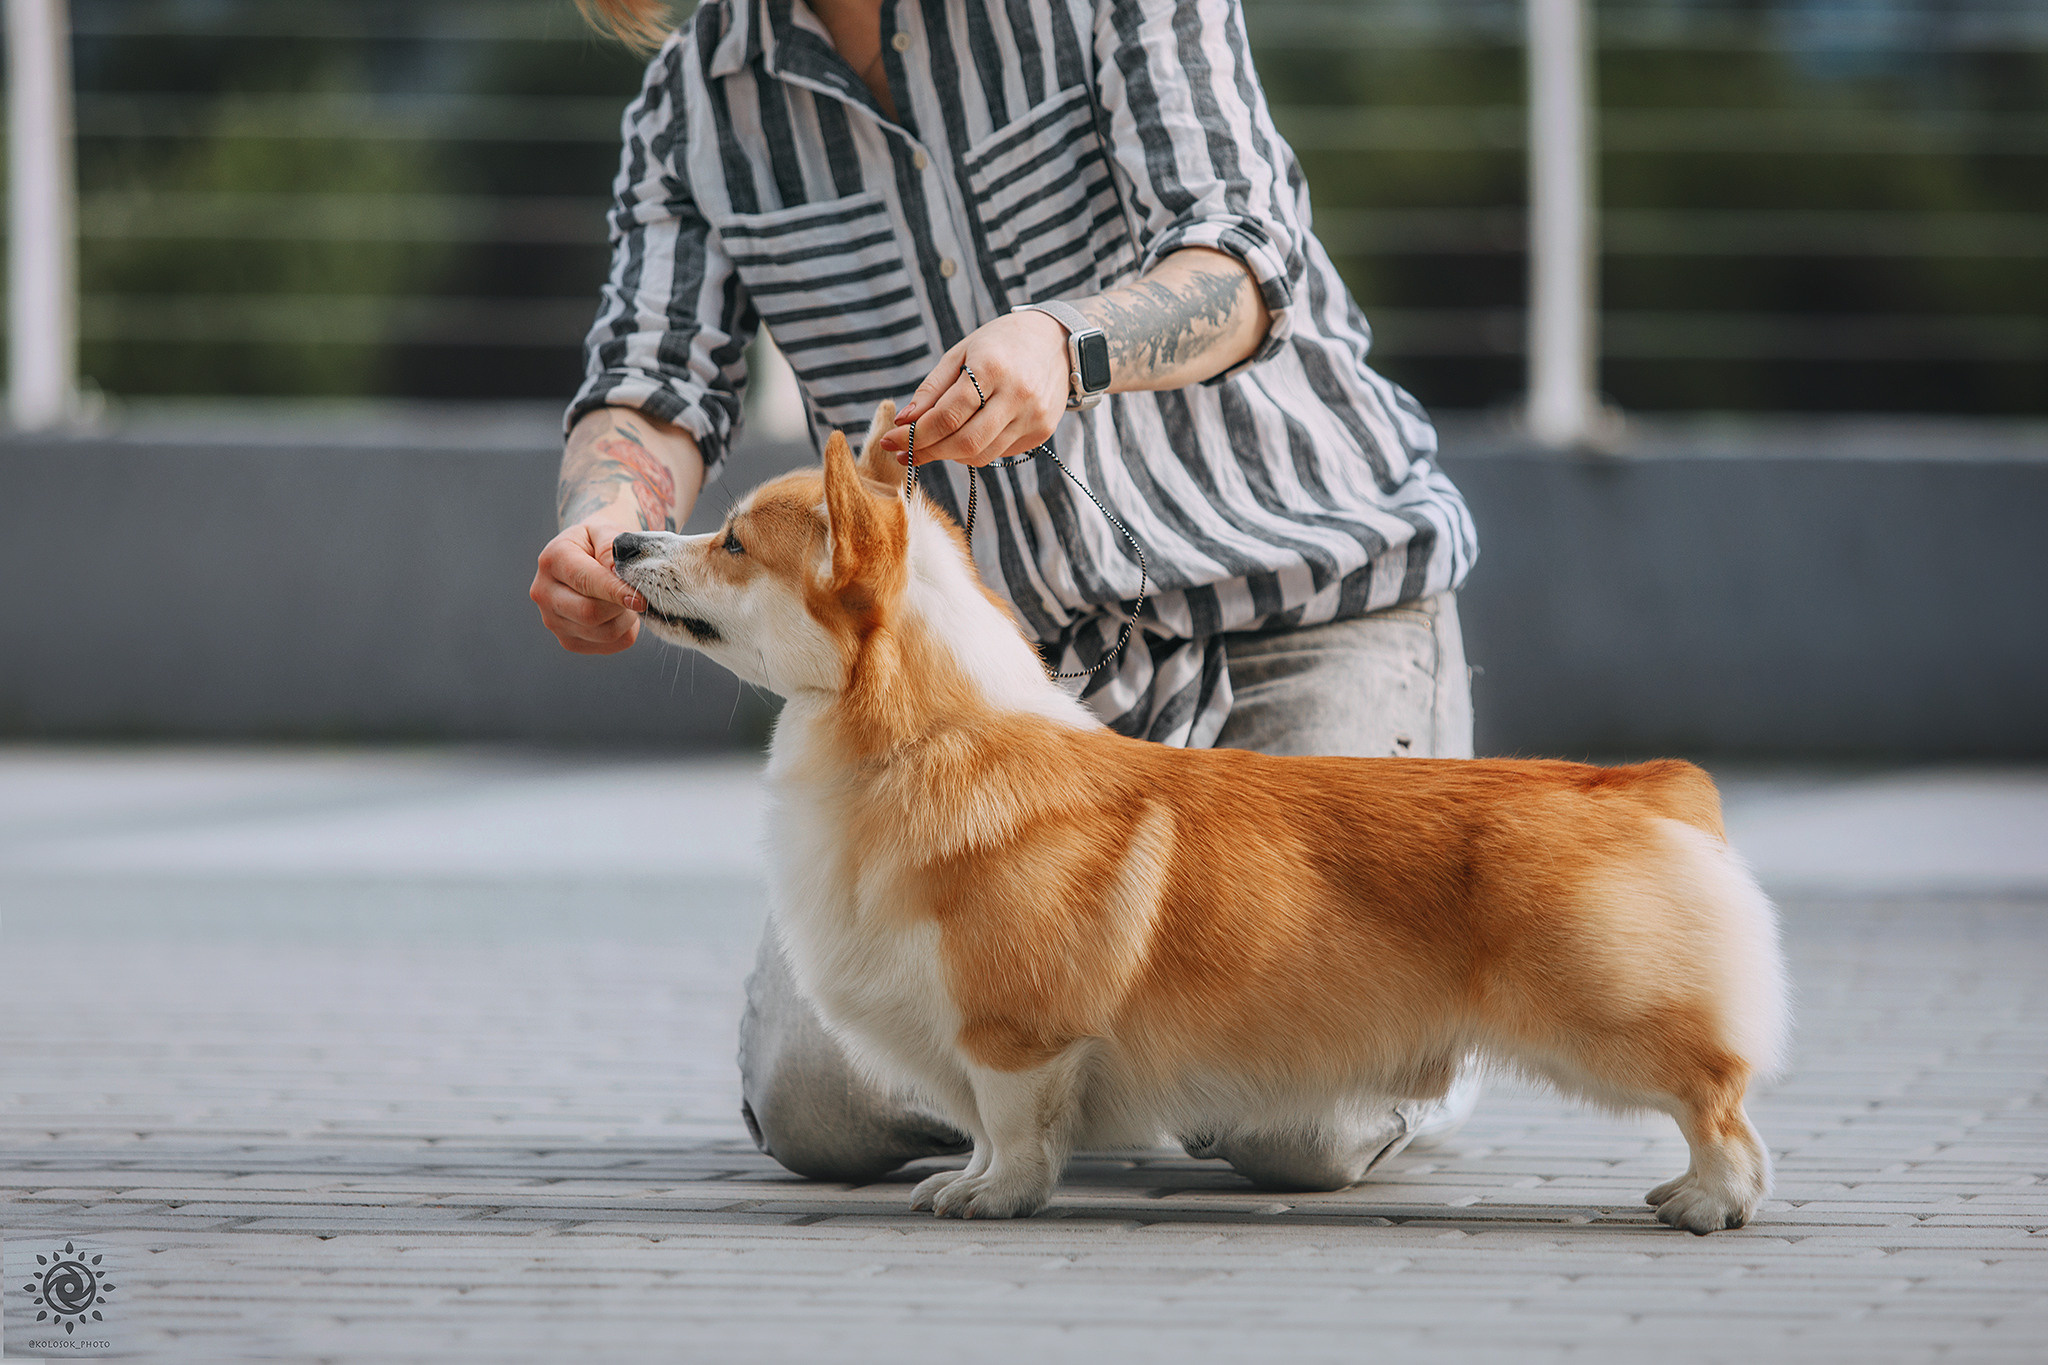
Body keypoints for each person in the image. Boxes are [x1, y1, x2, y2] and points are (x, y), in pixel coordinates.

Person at [531, 0, 1481, 1190]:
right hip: (1012, 690)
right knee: (824, 1109)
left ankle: (1435, 1007)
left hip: (1300, 602)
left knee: (1304, 1132)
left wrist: (1065, 344)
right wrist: (605, 517)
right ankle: (1106, 1057)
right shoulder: (692, 102)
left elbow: (1241, 259)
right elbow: (651, 385)